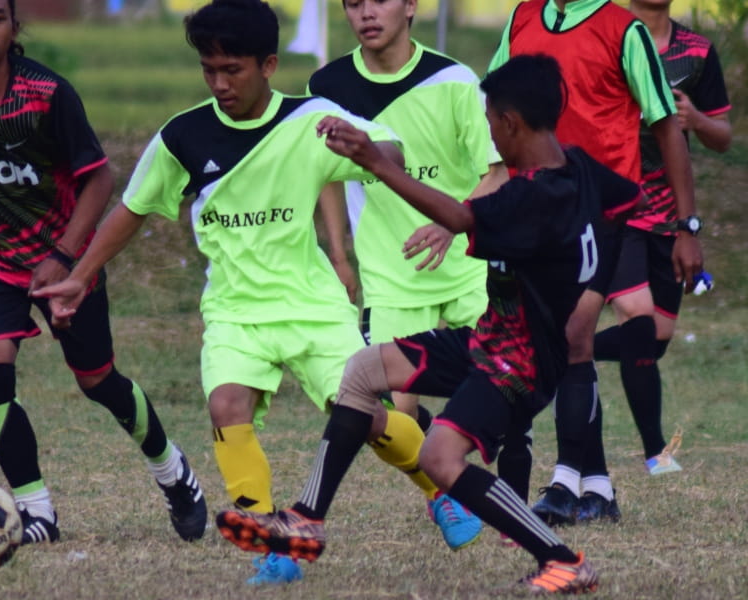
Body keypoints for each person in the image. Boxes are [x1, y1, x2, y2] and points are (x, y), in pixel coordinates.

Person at [216, 53, 642, 594]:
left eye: (490, 123)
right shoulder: (576, 167)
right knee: (364, 369)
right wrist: (594, 293)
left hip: (521, 362)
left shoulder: (531, 197)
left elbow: (462, 219)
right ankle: (306, 519)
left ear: (509, 123)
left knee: (440, 457)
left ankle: (562, 558)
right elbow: (629, 201)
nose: (489, 133)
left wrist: (376, 162)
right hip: (492, 338)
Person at [32, 0, 404, 585]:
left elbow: (395, 153)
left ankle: (441, 482)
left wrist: (364, 147)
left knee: (365, 419)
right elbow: (132, 208)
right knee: (226, 405)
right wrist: (81, 273)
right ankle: (272, 547)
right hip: (235, 310)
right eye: (210, 69)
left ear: (269, 65)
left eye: (233, 69)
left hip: (313, 304)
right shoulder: (183, 135)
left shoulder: (313, 118)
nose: (220, 82)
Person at [0, 0, 207, 546]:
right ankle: (35, 511)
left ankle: (172, 471)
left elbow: (100, 179)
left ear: (16, 27)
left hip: (64, 255)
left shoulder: (46, 94)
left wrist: (65, 256)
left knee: (98, 382)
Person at [488, 0, 705, 525]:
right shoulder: (523, 17)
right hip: (538, 211)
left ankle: (573, 479)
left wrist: (687, 225)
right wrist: (487, 198)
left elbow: (666, 127)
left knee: (632, 323)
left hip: (608, 211)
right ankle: (593, 487)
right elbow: (496, 108)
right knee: (571, 340)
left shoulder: (622, 29)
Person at [307, 0, 510, 550]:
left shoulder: (454, 80)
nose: (367, 12)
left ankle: (516, 509)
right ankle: (446, 499)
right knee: (396, 409)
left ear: (411, 6)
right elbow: (325, 170)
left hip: (467, 265)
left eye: (380, 0)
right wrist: (339, 254)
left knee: (506, 385)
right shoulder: (327, 83)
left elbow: (497, 170)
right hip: (389, 271)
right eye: (353, 3)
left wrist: (454, 224)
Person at [587, 0, 731, 481]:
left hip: (670, 217)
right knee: (638, 317)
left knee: (657, 338)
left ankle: (570, 344)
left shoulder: (696, 51)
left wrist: (695, 119)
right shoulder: (604, 37)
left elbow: (723, 136)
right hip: (616, 207)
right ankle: (655, 453)